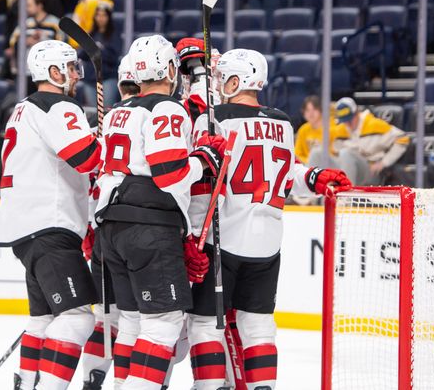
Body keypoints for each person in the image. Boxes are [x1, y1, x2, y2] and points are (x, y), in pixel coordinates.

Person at [187, 49, 351, 390]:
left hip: (224, 238)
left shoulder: (213, 119)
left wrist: (192, 235)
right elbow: (287, 171)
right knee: (258, 325)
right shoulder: (282, 122)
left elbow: (203, 182)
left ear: (235, 81)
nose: (216, 85)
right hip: (267, 243)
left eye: (222, 78)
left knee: (204, 325)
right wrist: (315, 176)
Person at [94, 34, 224, 390]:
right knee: (164, 324)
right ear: (169, 69)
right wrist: (204, 159)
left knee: (133, 323)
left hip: (112, 227)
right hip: (148, 225)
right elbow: (170, 174)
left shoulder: (120, 111)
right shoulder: (166, 108)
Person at [0, 40, 101, 390]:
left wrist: (95, 135)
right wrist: (114, 135)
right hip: (50, 224)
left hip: (25, 227)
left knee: (41, 319)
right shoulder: (59, 105)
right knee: (77, 319)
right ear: (54, 73)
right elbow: (85, 158)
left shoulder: (23, 108)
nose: (76, 74)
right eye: (71, 68)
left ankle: (26, 384)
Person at [79, 55, 139, 390]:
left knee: (106, 316)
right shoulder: (154, 116)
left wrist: (88, 225)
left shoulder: (104, 124)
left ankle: (92, 379)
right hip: (138, 228)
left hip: (103, 234)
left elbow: (86, 177)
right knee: (136, 320)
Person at [310, 97, 409, 186]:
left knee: (346, 153)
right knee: (317, 153)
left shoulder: (374, 125)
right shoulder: (340, 129)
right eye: (344, 121)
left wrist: (384, 162)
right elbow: (333, 151)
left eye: (350, 120)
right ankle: (306, 200)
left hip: (369, 171)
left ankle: (345, 198)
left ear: (357, 113)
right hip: (344, 169)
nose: (348, 124)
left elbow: (403, 138)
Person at [79, 2, 121, 107]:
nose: (100, 18)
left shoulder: (114, 34)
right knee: (94, 113)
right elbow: (82, 54)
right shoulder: (91, 34)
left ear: (109, 17)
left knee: (106, 110)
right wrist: (96, 50)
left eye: (104, 15)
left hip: (108, 77)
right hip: (90, 79)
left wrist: (95, 50)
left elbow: (113, 56)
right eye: (98, 15)